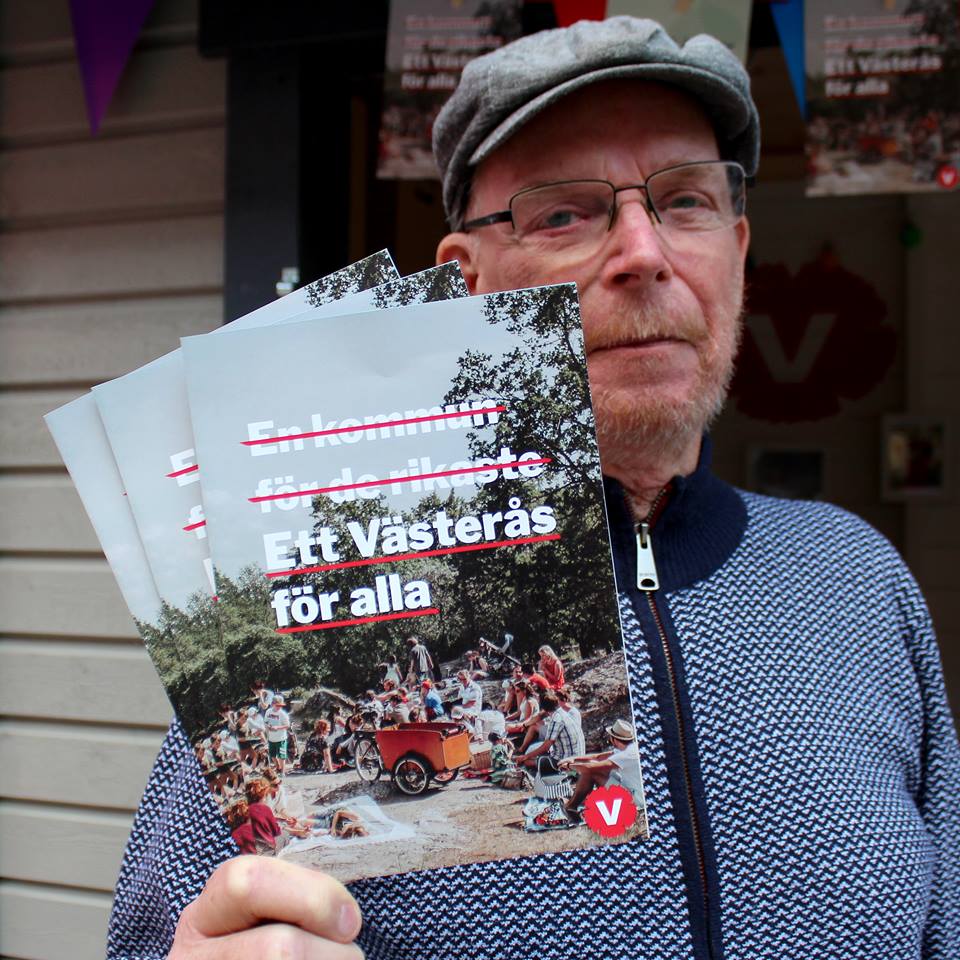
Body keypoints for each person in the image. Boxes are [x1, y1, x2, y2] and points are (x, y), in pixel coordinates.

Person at [110, 17, 959, 960]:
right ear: (465, 286)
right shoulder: (314, 612)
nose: (644, 251)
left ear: (738, 246)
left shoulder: (860, 579)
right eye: (564, 214)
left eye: (685, 201)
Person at [561, 719, 643, 812]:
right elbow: (598, 757)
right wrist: (573, 759)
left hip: (637, 800)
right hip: (636, 791)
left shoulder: (625, 755)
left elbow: (589, 768)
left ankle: (570, 806)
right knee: (600, 769)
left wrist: (569, 766)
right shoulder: (630, 748)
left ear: (614, 739)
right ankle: (584, 801)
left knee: (593, 773)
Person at [262, 694, 291, 775]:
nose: (279, 707)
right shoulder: (268, 712)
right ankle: (278, 767)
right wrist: (268, 726)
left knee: (282, 755)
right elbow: (265, 722)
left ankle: (283, 771)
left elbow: (287, 725)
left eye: (280, 705)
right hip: (271, 738)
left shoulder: (282, 714)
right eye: (277, 705)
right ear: (273, 704)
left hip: (281, 738)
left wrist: (278, 727)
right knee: (272, 755)